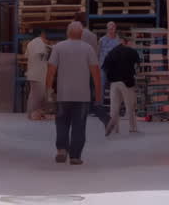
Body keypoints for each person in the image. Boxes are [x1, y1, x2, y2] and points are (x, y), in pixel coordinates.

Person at [45, 21, 102, 165]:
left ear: (67, 32)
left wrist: (48, 90)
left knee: (62, 123)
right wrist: (98, 93)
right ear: (81, 33)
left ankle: (62, 149)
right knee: (79, 125)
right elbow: (95, 72)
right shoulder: (88, 48)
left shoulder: (58, 47)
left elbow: (51, 70)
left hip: (64, 94)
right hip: (82, 96)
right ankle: (75, 156)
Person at [76, 12, 113, 133]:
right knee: (92, 96)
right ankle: (106, 119)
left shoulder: (77, 34)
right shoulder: (92, 35)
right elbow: (96, 53)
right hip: (92, 67)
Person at [102, 33, 142, 134]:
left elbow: (104, 67)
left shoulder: (111, 52)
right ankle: (133, 128)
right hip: (127, 82)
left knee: (114, 108)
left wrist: (110, 78)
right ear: (127, 42)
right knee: (130, 107)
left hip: (114, 83)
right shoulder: (131, 51)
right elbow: (138, 66)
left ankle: (115, 128)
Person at [24, 28, 51, 119]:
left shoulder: (30, 43)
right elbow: (42, 53)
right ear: (42, 34)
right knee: (39, 95)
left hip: (33, 73)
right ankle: (33, 114)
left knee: (33, 95)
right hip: (38, 74)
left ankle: (33, 113)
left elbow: (27, 55)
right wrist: (49, 48)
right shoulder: (39, 42)